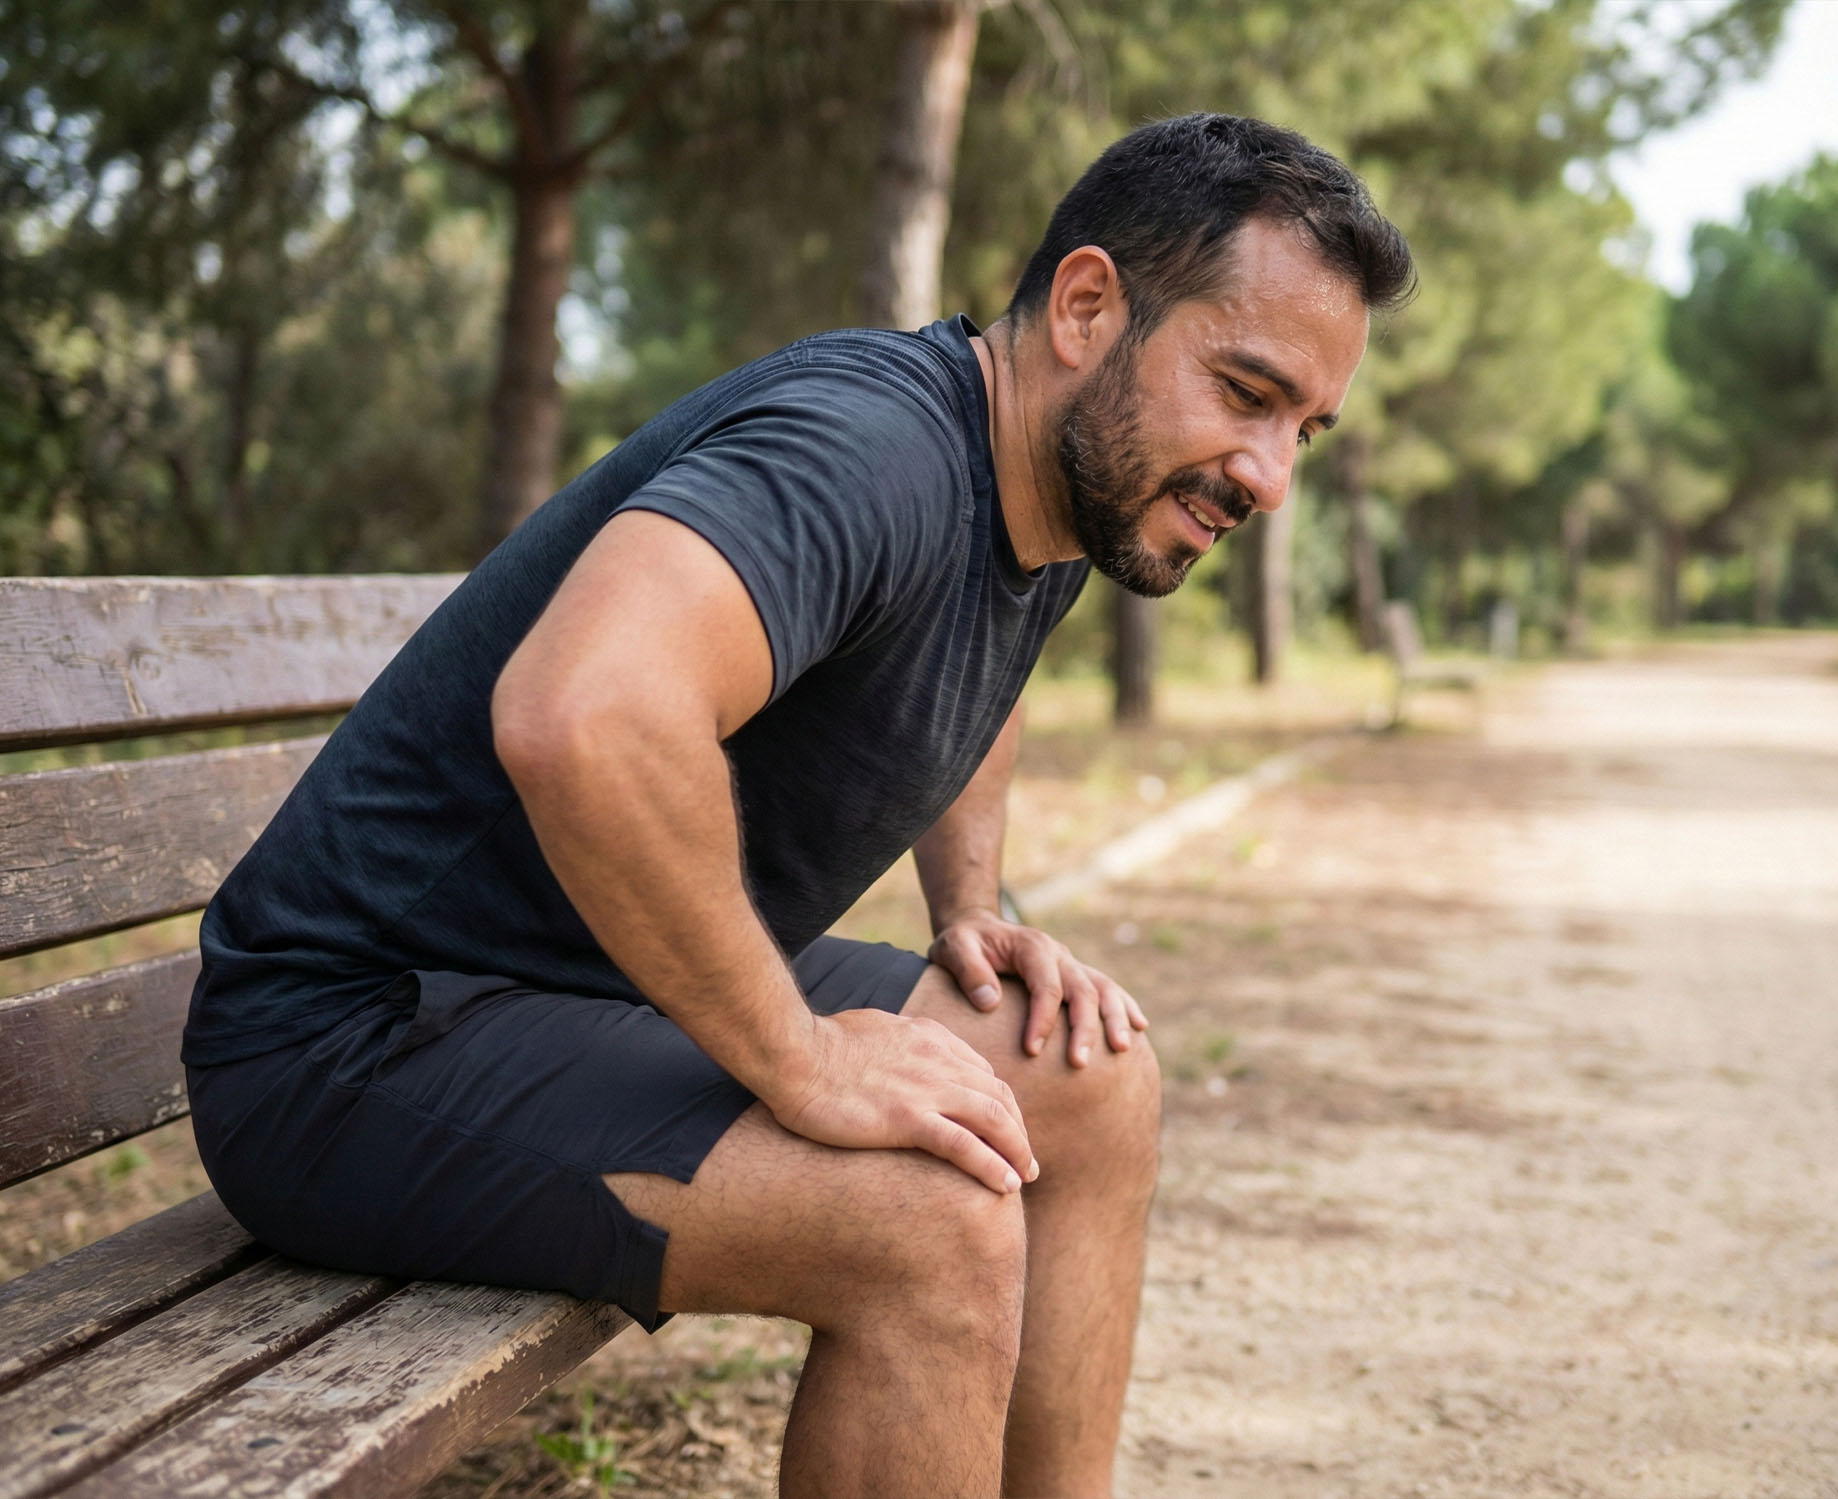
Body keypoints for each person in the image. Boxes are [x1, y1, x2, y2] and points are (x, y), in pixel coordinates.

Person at [181, 112, 1414, 1498]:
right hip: (356, 1043)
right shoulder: (868, 449)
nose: (1271, 475)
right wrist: (800, 1057)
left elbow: (983, 662)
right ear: (1085, 307)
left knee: (1086, 1077)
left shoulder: (1064, 483)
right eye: (1245, 391)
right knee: (928, 1225)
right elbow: (582, 714)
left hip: (583, 990)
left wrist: (971, 907)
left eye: (1304, 426)